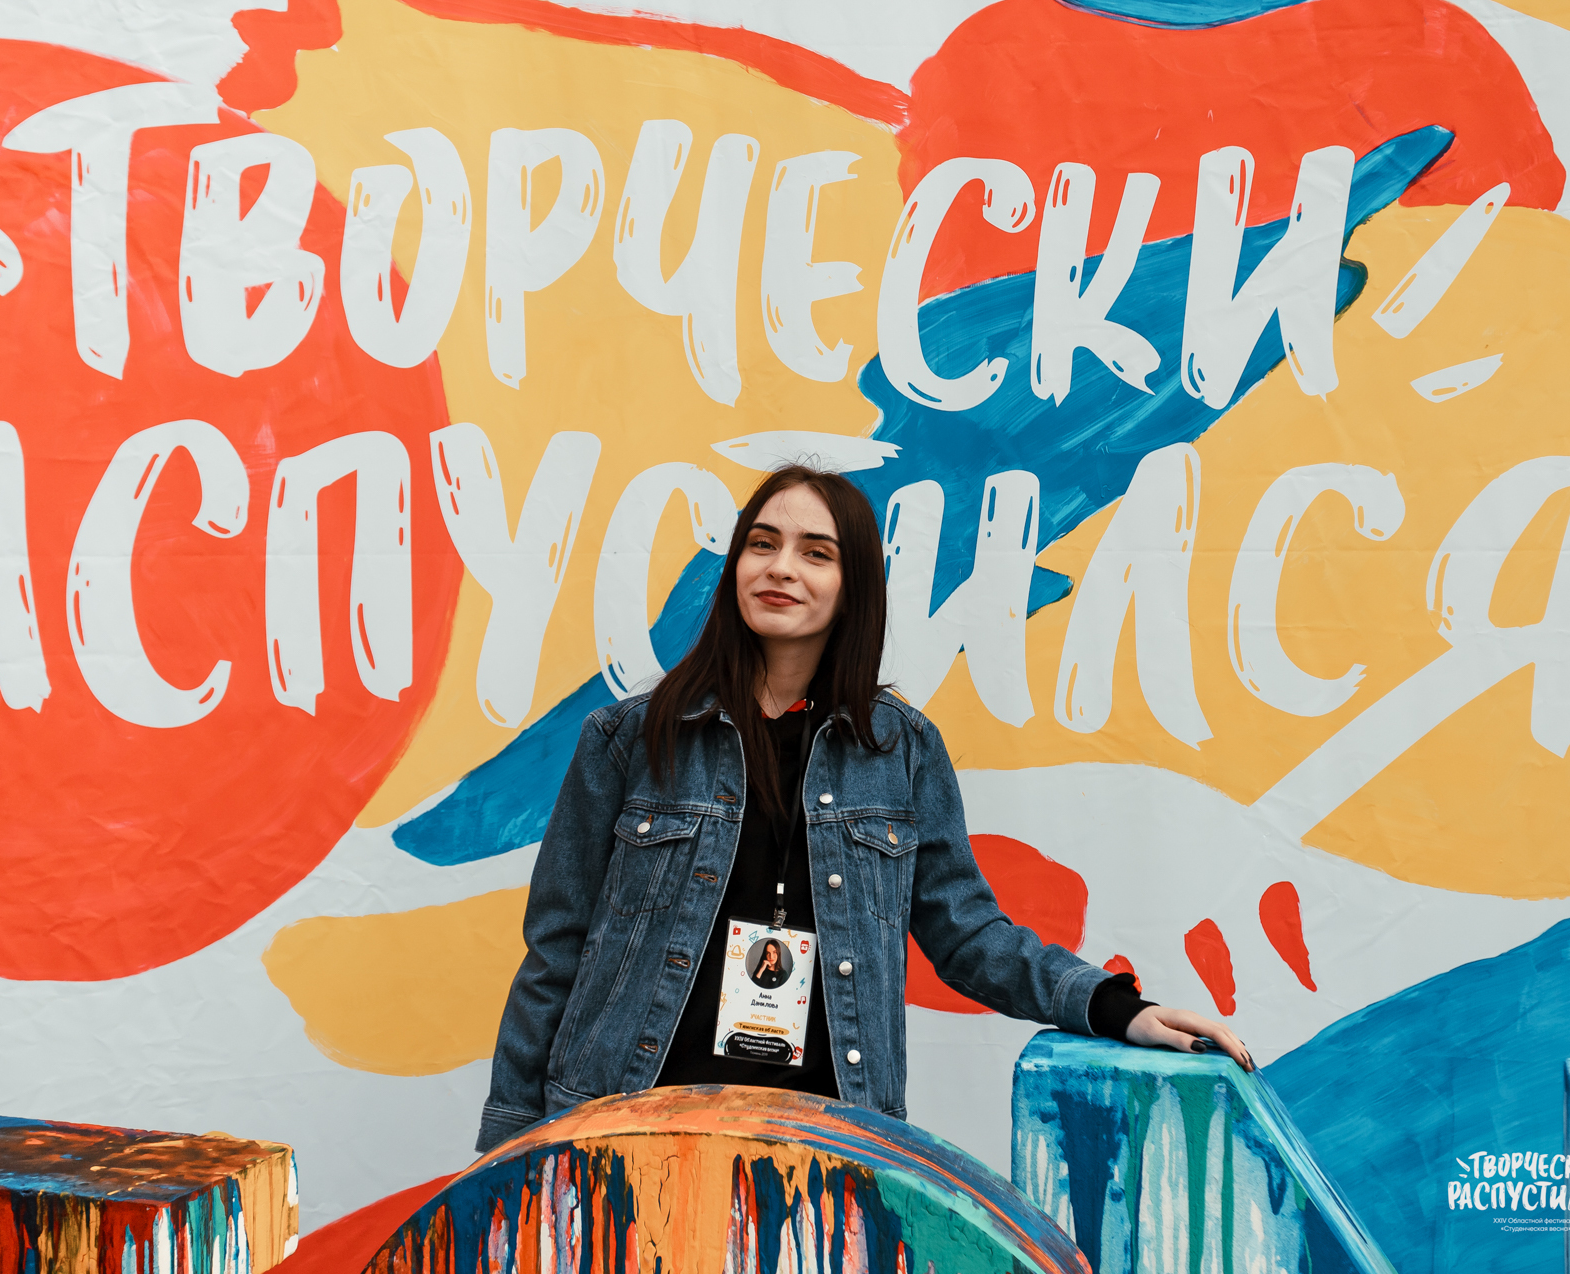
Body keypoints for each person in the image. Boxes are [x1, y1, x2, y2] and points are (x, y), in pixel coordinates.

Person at [476, 465, 1252, 1153]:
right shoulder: (628, 740)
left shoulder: (900, 752)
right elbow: (555, 954)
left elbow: (968, 934)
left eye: (816, 553)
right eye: (761, 544)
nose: (782, 568)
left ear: (854, 588)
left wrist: (1113, 1007)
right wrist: (508, 1147)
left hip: (824, 1147)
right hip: (624, 1129)